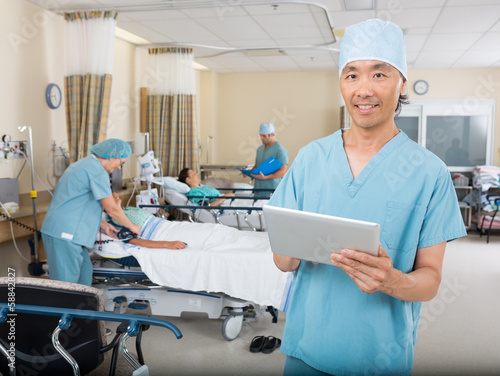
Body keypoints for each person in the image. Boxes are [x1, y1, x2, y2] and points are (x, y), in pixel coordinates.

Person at [268, 19, 467, 376]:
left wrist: (391, 279)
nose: (363, 89)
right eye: (351, 75)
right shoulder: (311, 158)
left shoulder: (429, 173)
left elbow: (431, 280)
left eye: (379, 74)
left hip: (379, 356)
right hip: (306, 347)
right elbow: (284, 261)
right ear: (341, 85)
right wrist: (286, 251)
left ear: (402, 81)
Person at [41, 139, 141, 286]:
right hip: (64, 234)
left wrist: (103, 224)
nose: (120, 167)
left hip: (71, 235)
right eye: (121, 162)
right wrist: (133, 226)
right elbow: (112, 209)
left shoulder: (85, 165)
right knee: (66, 288)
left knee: (83, 280)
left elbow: (78, 201)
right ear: (110, 156)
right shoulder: (96, 171)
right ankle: (66, 309)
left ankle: (81, 308)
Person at [250, 122, 289, 198]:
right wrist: (249, 173)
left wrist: (266, 177)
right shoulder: (259, 150)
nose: (261, 138)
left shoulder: (280, 150)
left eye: (264, 136)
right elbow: (256, 166)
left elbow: (282, 172)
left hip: (272, 191)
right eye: (260, 135)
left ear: (271, 134)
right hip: (258, 191)